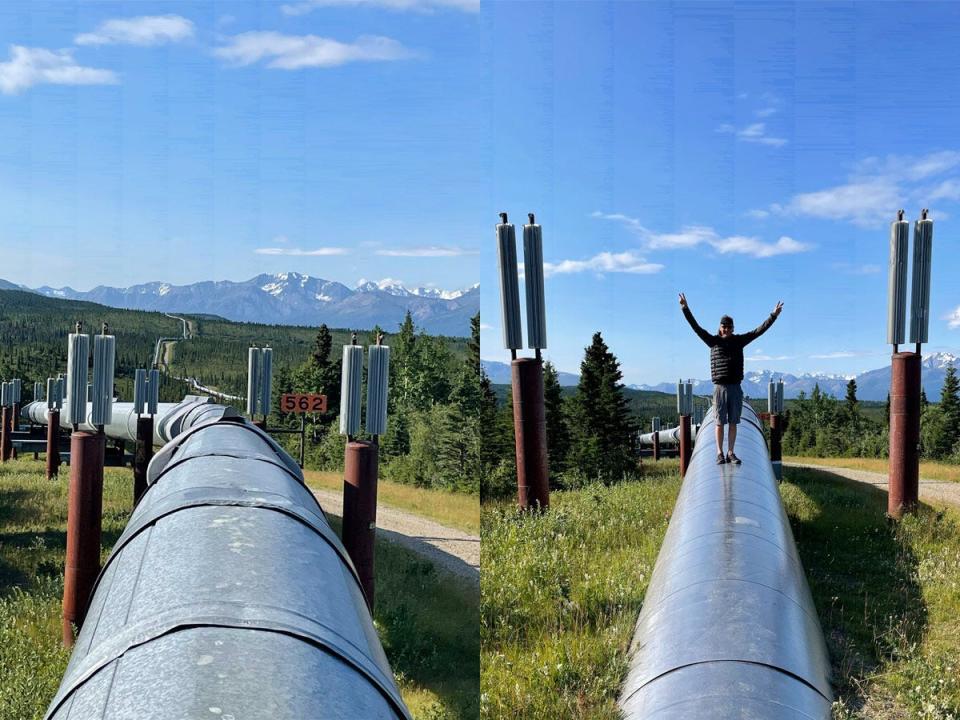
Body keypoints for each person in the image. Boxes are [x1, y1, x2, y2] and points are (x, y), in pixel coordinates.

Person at [678, 293, 783, 465]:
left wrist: (773, 315)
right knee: (719, 423)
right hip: (719, 388)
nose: (726, 329)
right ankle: (719, 453)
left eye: (729, 327)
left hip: (735, 387)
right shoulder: (712, 341)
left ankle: (731, 452)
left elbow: (759, 331)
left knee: (733, 422)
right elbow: (695, 327)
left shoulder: (739, 341)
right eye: (723, 327)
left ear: (732, 328)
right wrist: (685, 308)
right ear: (720, 328)